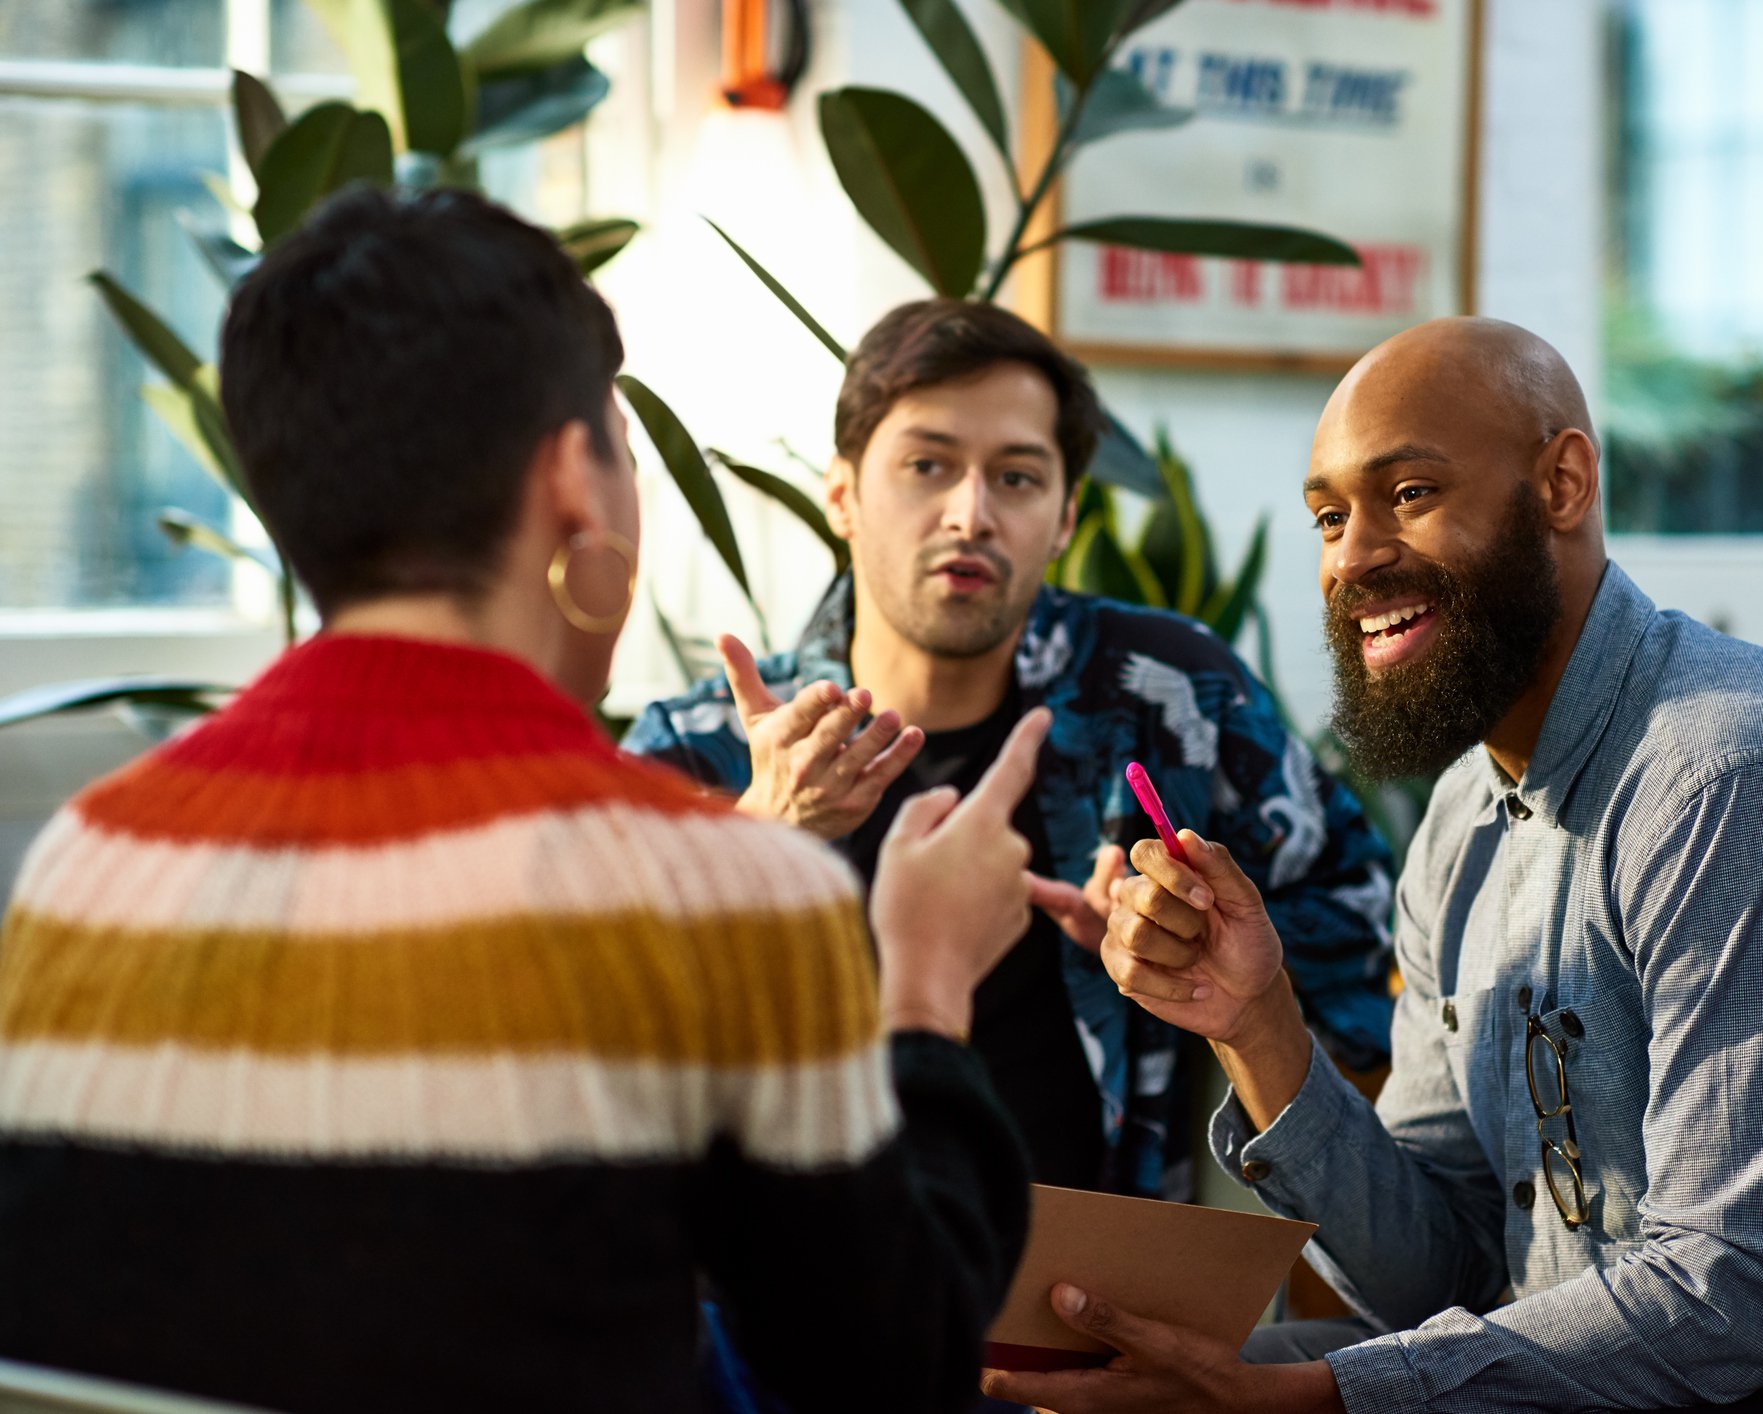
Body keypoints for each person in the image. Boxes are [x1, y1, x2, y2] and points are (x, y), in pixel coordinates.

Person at [0, 187, 1039, 1414]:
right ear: (571, 486)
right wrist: (922, 982)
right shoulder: (726, 891)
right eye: (624, 449)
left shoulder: (85, 856)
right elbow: (885, 1375)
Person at [982, 318, 1763, 1413]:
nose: (1356, 555)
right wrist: (1256, 1025)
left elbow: (1737, 1300)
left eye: (1409, 496)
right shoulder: (1462, 819)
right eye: (1329, 516)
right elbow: (1449, 1276)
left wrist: (1305, 1397)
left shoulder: (1738, 778)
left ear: (1562, 483)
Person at [626, 299, 1396, 1198]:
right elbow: (569, 1045)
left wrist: (1195, 943)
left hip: (1094, 1299)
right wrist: (757, 836)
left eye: (1017, 478)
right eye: (926, 465)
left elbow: (1363, 919)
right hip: (784, 1298)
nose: (969, 514)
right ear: (842, 495)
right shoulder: (703, 747)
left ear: (1066, 516)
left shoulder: (1167, 695)